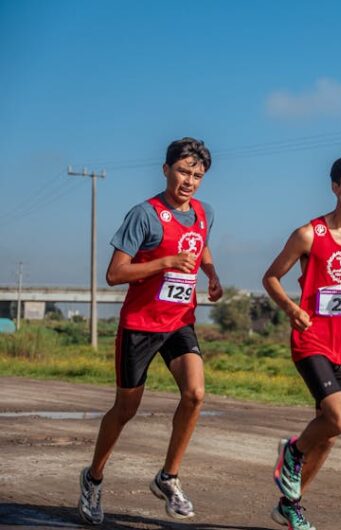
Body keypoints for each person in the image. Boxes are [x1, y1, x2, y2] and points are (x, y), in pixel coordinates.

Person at [78, 137, 223, 524]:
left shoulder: (204, 212)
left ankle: (168, 476)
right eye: (182, 171)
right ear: (165, 169)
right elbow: (114, 274)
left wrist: (210, 273)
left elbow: (200, 245)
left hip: (179, 321)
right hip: (140, 326)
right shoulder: (144, 214)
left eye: (197, 175)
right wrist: (165, 262)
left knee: (195, 394)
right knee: (126, 409)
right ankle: (93, 478)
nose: (189, 181)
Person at [263, 152, 341, 530]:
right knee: (340, 418)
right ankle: (293, 451)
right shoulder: (309, 234)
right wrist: (290, 308)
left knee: (330, 433)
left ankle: (290, 504)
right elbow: (270, 277)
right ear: (335, 187)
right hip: (311, 338)